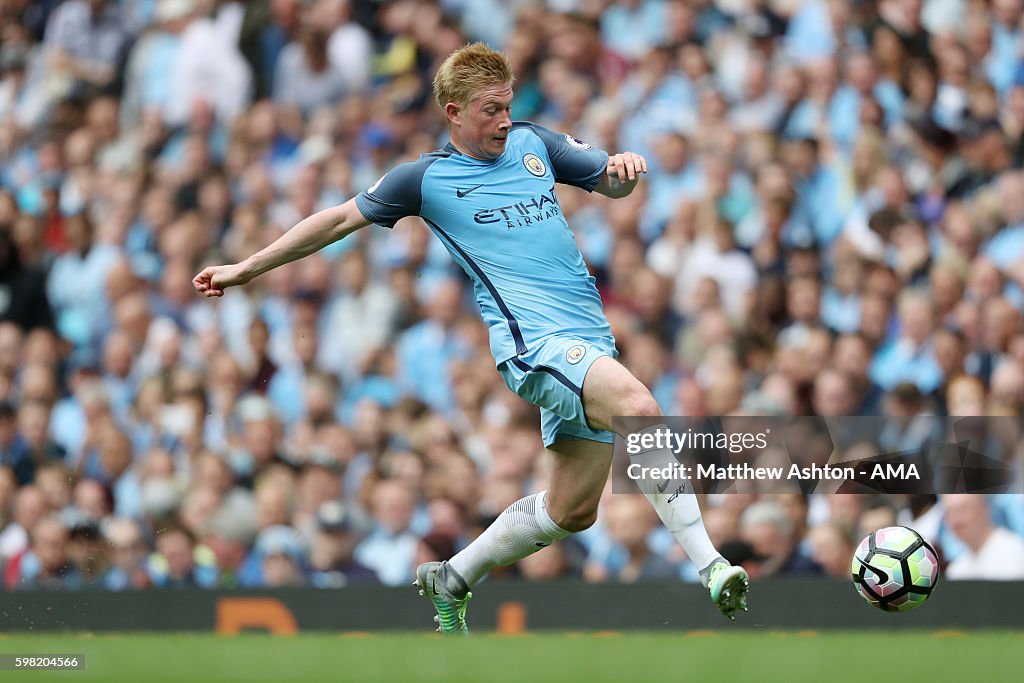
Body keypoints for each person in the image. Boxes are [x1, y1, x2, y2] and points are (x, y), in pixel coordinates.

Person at [193, 42, 748, 634]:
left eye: (507, 105)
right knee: (640, 408)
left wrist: (624, 173)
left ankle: (452, 577)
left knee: (572, 512)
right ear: (454, 112)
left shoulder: (535, 144)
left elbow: (607, 181)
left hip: (589, 341)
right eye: (489, 110)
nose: (504, 120)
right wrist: (245, 267)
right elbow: (335, 219)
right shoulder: (424, 179)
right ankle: (711, 566)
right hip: (533, 345)